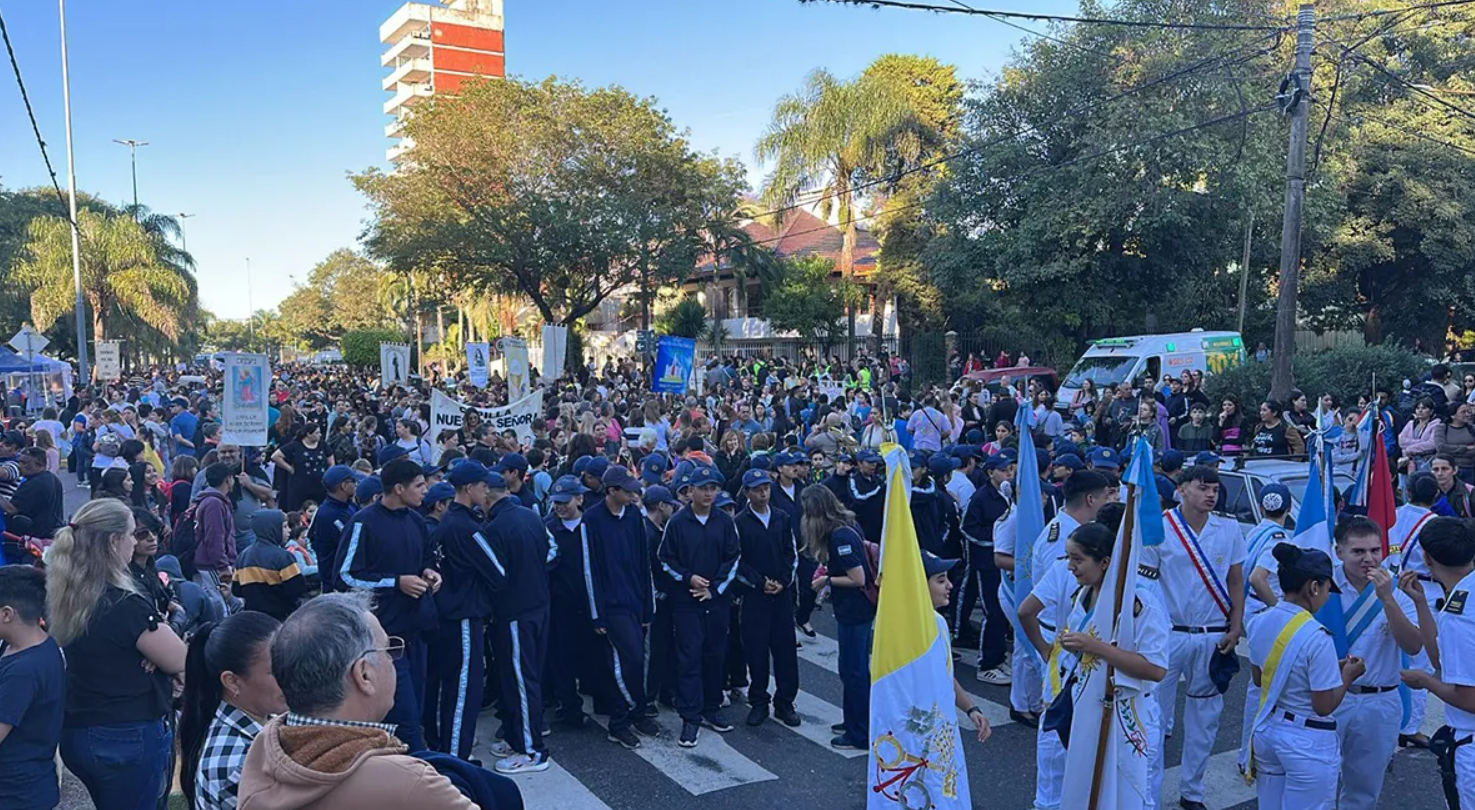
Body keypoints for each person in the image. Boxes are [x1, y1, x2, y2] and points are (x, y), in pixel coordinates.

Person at [236, 592, 482, 810]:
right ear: (364, 674)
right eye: (388, 649)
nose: (393, 661)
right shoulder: (409, 784)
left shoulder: (263, 750)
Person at [46, 498, 187, 810]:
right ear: (114, 541)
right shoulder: (124, 603)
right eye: (133, 534)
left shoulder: (70, 593)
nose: (136, 542)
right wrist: (162, 647)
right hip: (126, 733)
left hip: (80, 729)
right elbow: (180, 659)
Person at [1144, 464, 1246, 810]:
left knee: (1205, 719)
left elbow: (1235, 580)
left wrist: (1236, 624)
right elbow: (1145, 585)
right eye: (1203, 488)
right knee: (1153, 718)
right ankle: (1148, 794)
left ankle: (1192, 791)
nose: (1211, 495)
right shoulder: (1159, 526)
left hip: (1212, 634)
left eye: (1214, 489)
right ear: (1181, 489)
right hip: (1167, 634)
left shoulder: (1228, 528)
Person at [336, 457, 442, 752]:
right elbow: (345, 576)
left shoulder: (416, 520)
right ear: (398, 488)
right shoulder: (363, 522)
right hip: (384, 641)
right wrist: (396, 582)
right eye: (420, 486)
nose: (426, 492)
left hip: (417, 631)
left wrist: (430, 573)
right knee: (404, 720)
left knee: (416, 712)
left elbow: (425, 559)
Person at [1246, 544, 1361, 810]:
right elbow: (1323, 706)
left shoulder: (1259, 620)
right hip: (1306, 741)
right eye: (1327, 590)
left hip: (1269, 731)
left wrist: (1334, 668)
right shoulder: (1316, 636)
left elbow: (1258, 678)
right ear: (1314, 587)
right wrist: (1348, 675)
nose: (1326, 598)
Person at [1329, 516, 1430, 810]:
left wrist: (1387, 599)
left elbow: (1413, 645)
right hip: (1332, 696)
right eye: (1358, 552)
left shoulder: (1396, 590)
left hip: (1379, 700)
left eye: (1375, 550)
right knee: (1317, 780)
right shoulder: (1322, 584)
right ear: (1339, 552)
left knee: (1364, 789)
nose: (1369, 559)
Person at [659, 464, 741, 747]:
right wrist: (688, 578)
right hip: (687, 603)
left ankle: (711, 707)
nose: (708, 493)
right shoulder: (678, 522)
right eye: (703, 488)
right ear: (689, 491)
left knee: (715, 656)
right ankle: (690, 717)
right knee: (688, 658)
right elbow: (665, 560)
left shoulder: (725, 522)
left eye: (712, 488)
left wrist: (715, 589)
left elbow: (733, 559)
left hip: (716, 602)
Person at [480, 467, 556, 774]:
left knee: (522, 681)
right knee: (522, 677)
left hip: (514, 612)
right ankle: (517, 736)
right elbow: (552, 551)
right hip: (538, 606)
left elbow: (494, 577)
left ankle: (532, 750)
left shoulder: (495, 528)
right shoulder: (530, 515)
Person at [1398, 517, 1475, 809]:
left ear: (1427, 558)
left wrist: (1425, 682)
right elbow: (1441, 658)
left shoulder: (1460, 614)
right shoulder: (1461, 599)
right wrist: (1420, 603)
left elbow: (1470, 698)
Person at [584, 464, 659, 748]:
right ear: (611, 491)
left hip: (634, 601)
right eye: (626, 491)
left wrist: (647, 606)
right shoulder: (591, 520)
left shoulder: (633, 518)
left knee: (638, 660)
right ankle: (619, 720)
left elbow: (644, 562)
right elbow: (589, 569)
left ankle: (636, 712)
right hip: (611, 606)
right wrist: (597, 614)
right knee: (628, 660)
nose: (632, 495)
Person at [179, 611, 286, 810]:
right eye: (276, 670)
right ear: (232, 682)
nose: (291, 676)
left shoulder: (261, 721)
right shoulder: (237, 764)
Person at [802, 484, 874, 750]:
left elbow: (857, 578)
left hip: (855, 612)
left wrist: (826, 581)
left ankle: (860, 732)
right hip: (855, 611)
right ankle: (854, 719)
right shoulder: (847, 525)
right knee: (851, 670)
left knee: (853, 671)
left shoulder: (841, 536)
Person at [733, 469, 800, 728]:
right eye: (757, 489)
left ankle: (785, 702)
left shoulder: (782, 518)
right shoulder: (739, 523)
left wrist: (783, 582)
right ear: (747, 492)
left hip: (781, 596)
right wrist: (760, 582)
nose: (763, 493)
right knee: (756, 650)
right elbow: (737, 560)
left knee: (785, 651)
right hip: (755, 596)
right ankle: (759, 701)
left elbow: (790, 553)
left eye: (766, 488)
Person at [0, 565, 65, 810]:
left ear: (7, 614)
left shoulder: (23, 671)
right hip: (31, 784)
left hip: (15, 795)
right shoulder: (36, 645)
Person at [1388, 471, 1440, 746]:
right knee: (1421, 659)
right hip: (1424, 590)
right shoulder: (1436, 523)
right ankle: (1409, 726)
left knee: (1391, 653)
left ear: (1407, 492)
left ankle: (1394, 716)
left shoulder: (1392, 515)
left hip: (1395, 584)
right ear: (1436, 496)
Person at [959, 453, 1013, 678]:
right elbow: (967, 528)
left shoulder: (1010, 494)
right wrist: (998, 539)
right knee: (993, 611)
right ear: (991, 472)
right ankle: (987, 663)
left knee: (1005, 610)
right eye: (1003, 469)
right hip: (988, 562)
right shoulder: (981, 497)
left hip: (1006, 563)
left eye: (1010, 468)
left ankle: (999, 656)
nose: (1009, 473)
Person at [232, 510, 309, 621]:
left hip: (253, 618)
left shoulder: (242, 557)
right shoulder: (284, 557)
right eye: (285, 526)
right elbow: (297, 589)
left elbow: (237, 590)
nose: (289, 530)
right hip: (281, 617)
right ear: (272, 529)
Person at [309, 465, 361, 593]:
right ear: (343, 486)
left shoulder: (349, 505)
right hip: (336, 583)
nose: (356, 485)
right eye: (353, 481)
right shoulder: (329, 514)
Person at [194, 463, 239, 612]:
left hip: (212, 563)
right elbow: (214, 537)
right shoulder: (214, 503)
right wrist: (222, 566)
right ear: (228, 479)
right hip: (211, 564)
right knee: (220, 608)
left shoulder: (215, 500)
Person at [1, 446, 64, 539]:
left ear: (38, 464)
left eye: (24, 462)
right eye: (19, 461)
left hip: (34, 538)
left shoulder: (35, 484)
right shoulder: (52, 478)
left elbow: (12, 509)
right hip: (52, 532)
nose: (20, 465)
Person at [272, 424, 334, 512]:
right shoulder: (295, 445)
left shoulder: (322, 444)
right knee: (298, 510)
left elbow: (331, 461)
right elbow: (275, 456)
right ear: (308, 434)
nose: (320, 435)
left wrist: (328, 475)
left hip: (319, 486)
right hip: (300, 486)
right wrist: (289, 468)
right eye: (317, 433)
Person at [1437, 402, 1475, 484]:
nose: (1467, 415)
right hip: (1447, 469)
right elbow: (1441, 448)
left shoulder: (1472, 429)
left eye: (1468, 412)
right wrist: (1466, 448)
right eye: (1463, 412)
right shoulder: (1442, 428)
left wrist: (1452, 450)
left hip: (1470, 469)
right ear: (1453, 415)